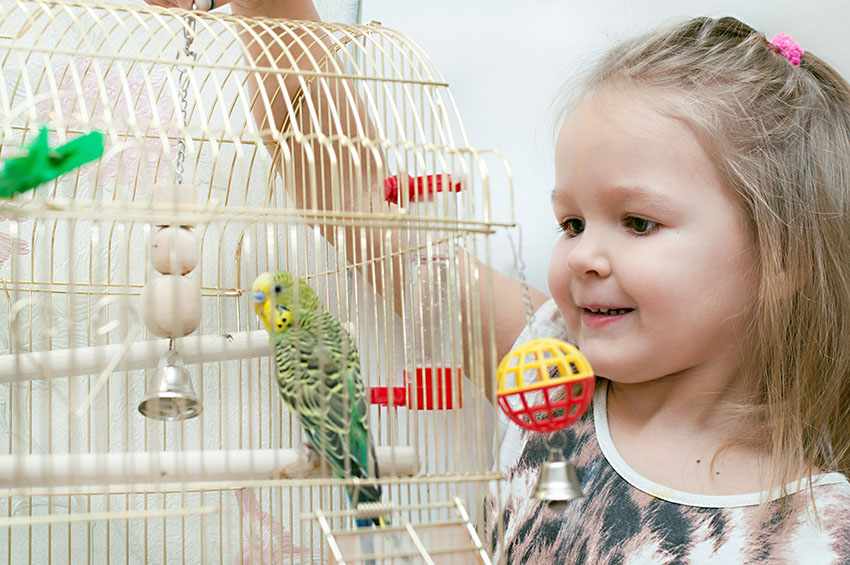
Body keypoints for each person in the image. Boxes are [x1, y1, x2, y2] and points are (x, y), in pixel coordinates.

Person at [144, 2, 850, 562]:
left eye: (636, 222)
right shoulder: (546, 367)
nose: (583, 256)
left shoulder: (817, 532)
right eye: (571, 223)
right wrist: (273, 6)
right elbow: (352, 197)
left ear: (782, 256)